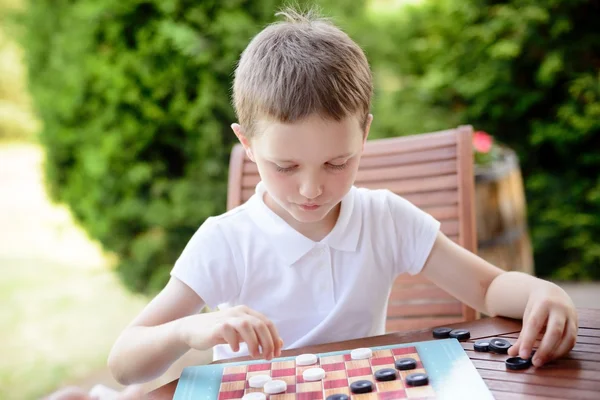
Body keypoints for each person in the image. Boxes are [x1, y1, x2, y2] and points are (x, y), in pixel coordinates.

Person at [107, 6, 578, 386]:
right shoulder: (225, 241)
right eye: (285, 166)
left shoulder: (385, 218)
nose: (313, 189)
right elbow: (126, 364)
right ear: (247, 144)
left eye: (337, 163)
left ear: (365, 133)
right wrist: (190, 329)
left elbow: (487, 288)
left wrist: (541, 291)